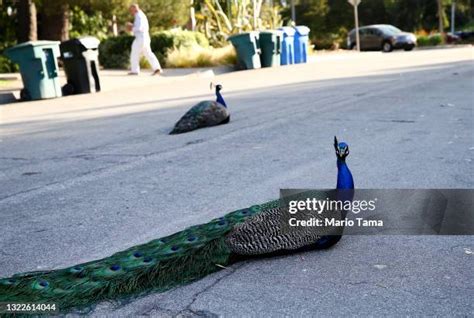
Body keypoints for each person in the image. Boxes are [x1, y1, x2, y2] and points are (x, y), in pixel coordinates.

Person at [127, 4, 162, 76]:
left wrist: (131, 28)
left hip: (140, 38)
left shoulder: (139, 16)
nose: (131, 12)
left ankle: (135, 70)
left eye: (131, 10)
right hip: (145, 37)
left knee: (134, 53)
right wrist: (133, 26)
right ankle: (157, 68)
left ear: (135, 9)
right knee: (148, 53)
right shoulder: (141, 15)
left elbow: (139, 27)